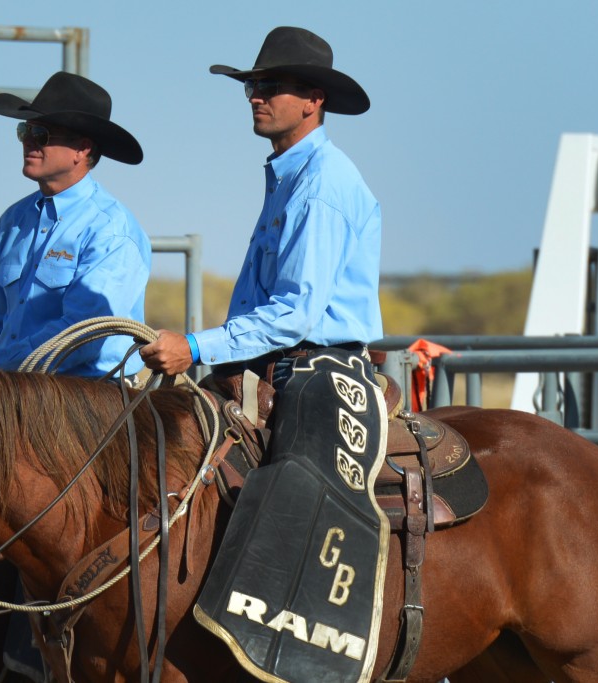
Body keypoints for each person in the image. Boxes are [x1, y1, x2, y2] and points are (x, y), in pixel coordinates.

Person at [140, 28, 388, 683]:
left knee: (294, 493)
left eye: (268, 87)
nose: (255, 97)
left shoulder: (324, 183)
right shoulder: (292, 175)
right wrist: (219, 361)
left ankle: (303, 657)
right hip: (276, 366)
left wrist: (195, 346)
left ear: (313, 100)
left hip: (321, 370)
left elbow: (296, 313)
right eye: (252, 86)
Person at [0, 71, 151, 378]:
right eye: (26, 130)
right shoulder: (12, 221)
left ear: (82, 150)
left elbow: (82, 338)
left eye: (42, 134)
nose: (29, 141)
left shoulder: (110, 229)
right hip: (15, 391)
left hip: (91, 401)